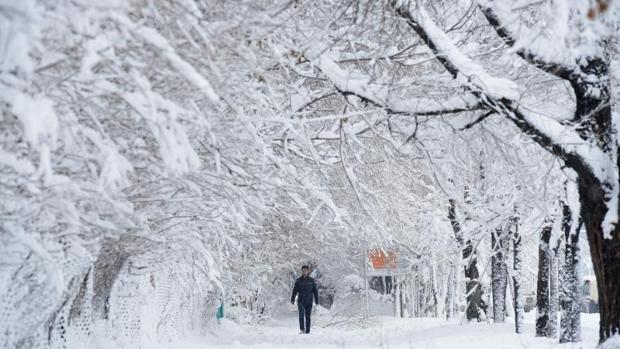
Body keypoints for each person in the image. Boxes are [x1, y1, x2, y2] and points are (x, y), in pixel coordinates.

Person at [291, 265, 319, 334]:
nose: (304, 272)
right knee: (301, 315)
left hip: (309, 301)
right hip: (301, 301)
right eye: (303, 271)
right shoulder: (298, 281)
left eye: (306, 270)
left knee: (308, 316)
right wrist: (292, 299)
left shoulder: (311, 281)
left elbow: (315, 291)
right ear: (302, 271)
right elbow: (295, 291)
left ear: (308, 271)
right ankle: (302, 329)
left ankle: (308, 331)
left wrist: (317, 300)